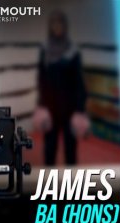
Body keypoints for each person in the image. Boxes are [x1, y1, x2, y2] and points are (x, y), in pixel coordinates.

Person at [33, 10, 90, 166]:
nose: (57, 26)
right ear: (50, 27)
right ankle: (49, 185)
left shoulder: (73, 50)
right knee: (49, 150)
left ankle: (71, 185)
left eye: (60, 23)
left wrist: (80, 108)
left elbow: (79, 81)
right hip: (50, 109)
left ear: (65, 26)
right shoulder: (45, 50)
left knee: (70, 150)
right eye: (54, 23)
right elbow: (41, 79)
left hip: (70, 108)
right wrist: (41, 104)